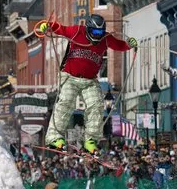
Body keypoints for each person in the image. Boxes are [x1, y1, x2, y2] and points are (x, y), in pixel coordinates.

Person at [37, 14, 137, 154]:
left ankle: (90, 140)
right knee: (65, 102)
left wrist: (128, 45)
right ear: (88, 29)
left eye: (100, 32)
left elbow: (118, 45)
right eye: (95, 32)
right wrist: (48, 26)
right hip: (70, 77)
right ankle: (54, 138)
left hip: (89, 80)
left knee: (96, 105)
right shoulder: (77, 31)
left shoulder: (105, 38)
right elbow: (60, 29)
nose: (98, 36)